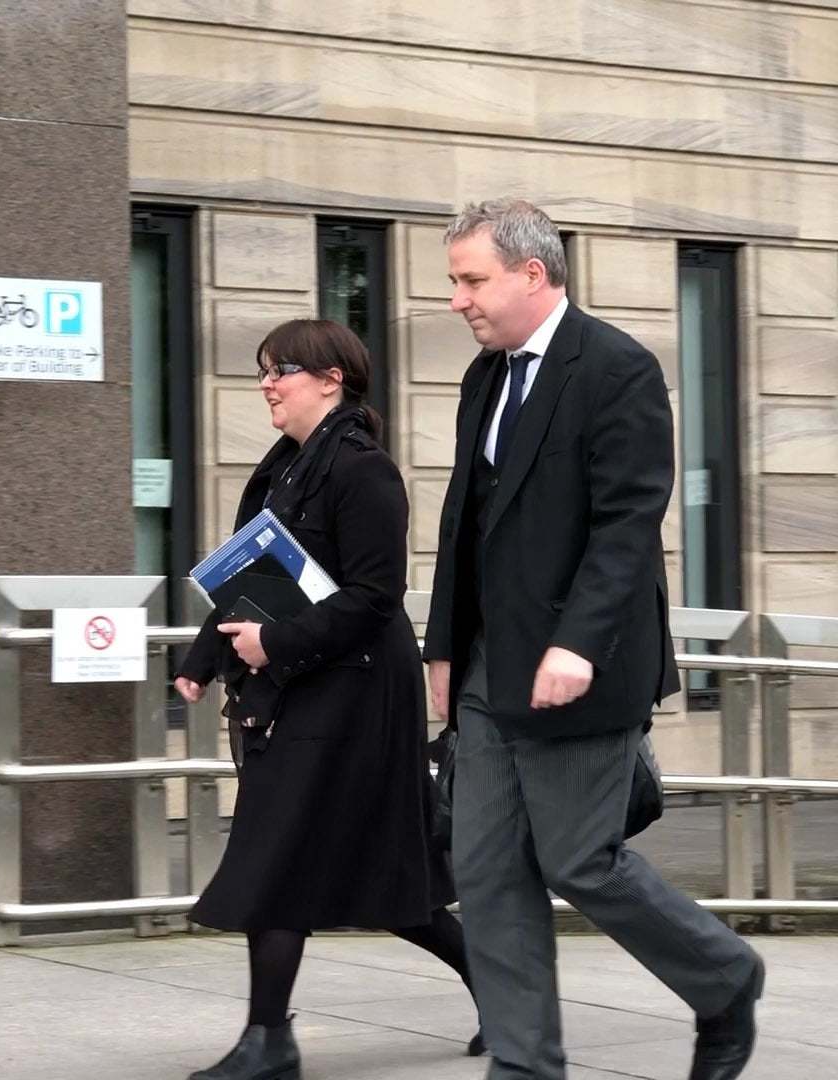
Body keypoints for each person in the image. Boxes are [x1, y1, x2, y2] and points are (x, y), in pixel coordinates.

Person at [424, 198, 763, 1080]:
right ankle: (525, 1065)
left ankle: (724, 976)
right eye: (455, 282)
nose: (458, 298)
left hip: (582, 660)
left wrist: (575, 644)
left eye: (471, 280)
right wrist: (441, 646)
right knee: (488, 868)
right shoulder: (485, 377)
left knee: (582, 861)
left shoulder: (615, 367)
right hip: (490, 666)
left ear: (532, 274)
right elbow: (464, 520)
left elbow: (627, 521)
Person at [175, 319, 482, 1080]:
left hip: (354, 704)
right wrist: (207, 655)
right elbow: (252, 577)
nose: (267, 384)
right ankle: (510, 992)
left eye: (281, 369)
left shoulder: (361, 470)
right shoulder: (283, 469)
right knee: (387, 883)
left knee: (275, 860)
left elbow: (378, 598)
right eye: (264, 371)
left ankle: (268, 1041)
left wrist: (274, 646)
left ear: (330, 378)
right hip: (301, 696)